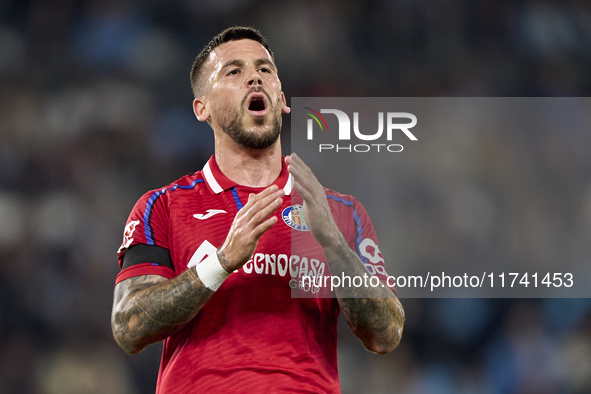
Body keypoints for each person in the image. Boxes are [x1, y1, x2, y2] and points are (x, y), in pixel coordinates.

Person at [111, 26, 404, 394]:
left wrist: (333, 244)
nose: (254, 76)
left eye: (265, 69)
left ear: (281, 98)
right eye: (233, 71)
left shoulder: (339, 213)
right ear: (202, 108)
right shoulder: (163, 207)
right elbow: (129, 327)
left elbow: (386, 334)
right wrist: (220, 264)